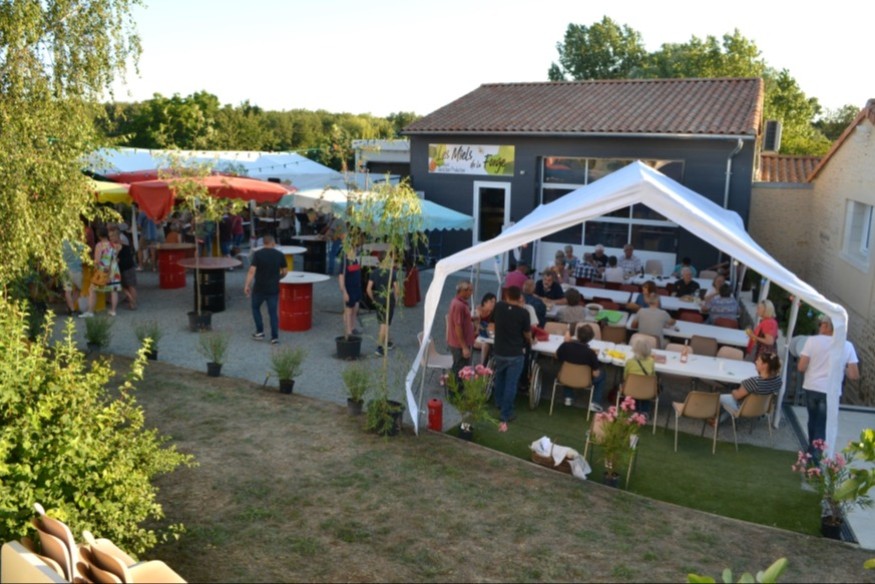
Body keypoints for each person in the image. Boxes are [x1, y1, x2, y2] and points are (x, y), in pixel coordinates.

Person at [798, 316, 860, 461]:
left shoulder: (812, 341)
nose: (819, 327)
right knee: (822, 423)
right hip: (831, 391)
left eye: (821, 324)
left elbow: (801, 366)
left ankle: (812, 453)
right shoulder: (847, 346)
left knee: (813, 420)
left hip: (812, 386)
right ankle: (814, 455)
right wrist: (841, 368)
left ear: (826, 326)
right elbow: (853, 374)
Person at [491, 286, 533, 432]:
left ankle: (499, 403)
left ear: (507, 295)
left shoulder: (499, 306)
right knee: (511, 384)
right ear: (520, 297)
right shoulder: (524, 313)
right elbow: (527, 334)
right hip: (515, 353)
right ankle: (505, 414)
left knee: (500, 378)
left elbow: (493, 322)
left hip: (499, 350)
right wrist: (531, 340)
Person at [712, 352, 782, 427]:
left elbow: (737, 396)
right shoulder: (778, 380)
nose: (756, 362)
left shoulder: (753, 382)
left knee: (717, 397)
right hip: (762, 408)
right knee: (733, 400)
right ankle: (717, 421)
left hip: (744, 408)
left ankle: (712, 417)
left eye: (758, 360)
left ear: (765, 365)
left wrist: (733, 391)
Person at [244, 234, 287, 345]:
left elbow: (252, 271)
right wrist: (279, 277)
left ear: (263, 243)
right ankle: (274, 337)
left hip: (259, 287)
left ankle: (260, 332)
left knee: (255, 308)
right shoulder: (280, 255)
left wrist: (247, 285)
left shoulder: (258, 254)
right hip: (273, 288)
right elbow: (285, 271)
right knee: (272, 313)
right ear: (273, 243)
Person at [556, 324, 605, 411]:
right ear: (590, 338)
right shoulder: (591, 354)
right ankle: (595, 402)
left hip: (566, 377)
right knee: (602, 374)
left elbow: (557, 355)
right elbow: (595, 374)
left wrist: (566, 342)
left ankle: (568, 396)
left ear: (577, 335)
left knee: (567, 370)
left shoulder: (566, 346)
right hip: (584, 380)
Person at [79, 226, 120, 318]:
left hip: (102, 270)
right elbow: (115, 257)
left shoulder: (99, 245)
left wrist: (94, 266)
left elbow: (97, 260)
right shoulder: (113, 244)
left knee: (92, 289)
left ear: (99, 235)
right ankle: (113, 310)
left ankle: (90, 311)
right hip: (113, 270)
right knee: (114, 290)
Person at [367, 261, 401, 356]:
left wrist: (373, 298)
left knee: (384, 322)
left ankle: (388, 342)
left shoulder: (374, 273)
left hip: (379, 299)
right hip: (389, 299)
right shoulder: (392, 273)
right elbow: (397, 288)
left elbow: (368, 288)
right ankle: (379, 347)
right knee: (385, 324)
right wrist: (396, 298)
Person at [446, 281, 477, 380]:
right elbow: (458, 327)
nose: (471, 293)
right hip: (458, 345)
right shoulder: (459, 305)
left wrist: (471, 319)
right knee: (459, 371)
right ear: (463, 291)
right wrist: (464, 347)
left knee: (459, 369)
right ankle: (455, 393)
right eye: (470, 290)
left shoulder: (458, 302)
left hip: (458, 343)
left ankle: (457, 392)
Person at [623, 338, 657, 417]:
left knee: (634, 387)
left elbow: (625, 377)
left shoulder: (629, 362)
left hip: (630, 389)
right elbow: (653, 376)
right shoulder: (651, 361)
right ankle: (645, 411)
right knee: (646, 390)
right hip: (647, 390)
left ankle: (633, 409)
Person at [110, 226, 138, 310]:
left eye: (112, 236)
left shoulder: (118, 246)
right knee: (126, 286)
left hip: (126, 267)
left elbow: (118, 258)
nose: (110, 238)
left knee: (130, 286)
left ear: (117, 237)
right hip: (124, 267)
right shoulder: (122, 245)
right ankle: (132, 300)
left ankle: (133, 302)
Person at [338, 247, 363, 338]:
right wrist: (344, 292)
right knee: (348, 310)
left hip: (357, 288)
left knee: (355, 308)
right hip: (349, 289)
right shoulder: (344, 263)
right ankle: (348, 331)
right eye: (353, 250)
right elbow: (341, 278)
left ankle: (353, 327)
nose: (355, 251)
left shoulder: (356, 260)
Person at [61, 238, 85, 315]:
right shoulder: (79, 243)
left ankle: (71, 308)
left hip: (65, 270)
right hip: (77, 269)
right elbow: (84, 254)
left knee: (67, 290)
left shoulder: (62, 243)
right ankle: (72, 307)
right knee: (78, 289)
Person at [473, 292, 497, 365]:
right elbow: (476, 326)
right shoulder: (477, 311)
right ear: (485, 302)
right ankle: (482, 366)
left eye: (494, 302)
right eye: (491, 302)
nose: (493, 304)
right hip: (475, 338)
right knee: (486, 345)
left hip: (488, 337)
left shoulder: (493, 313)